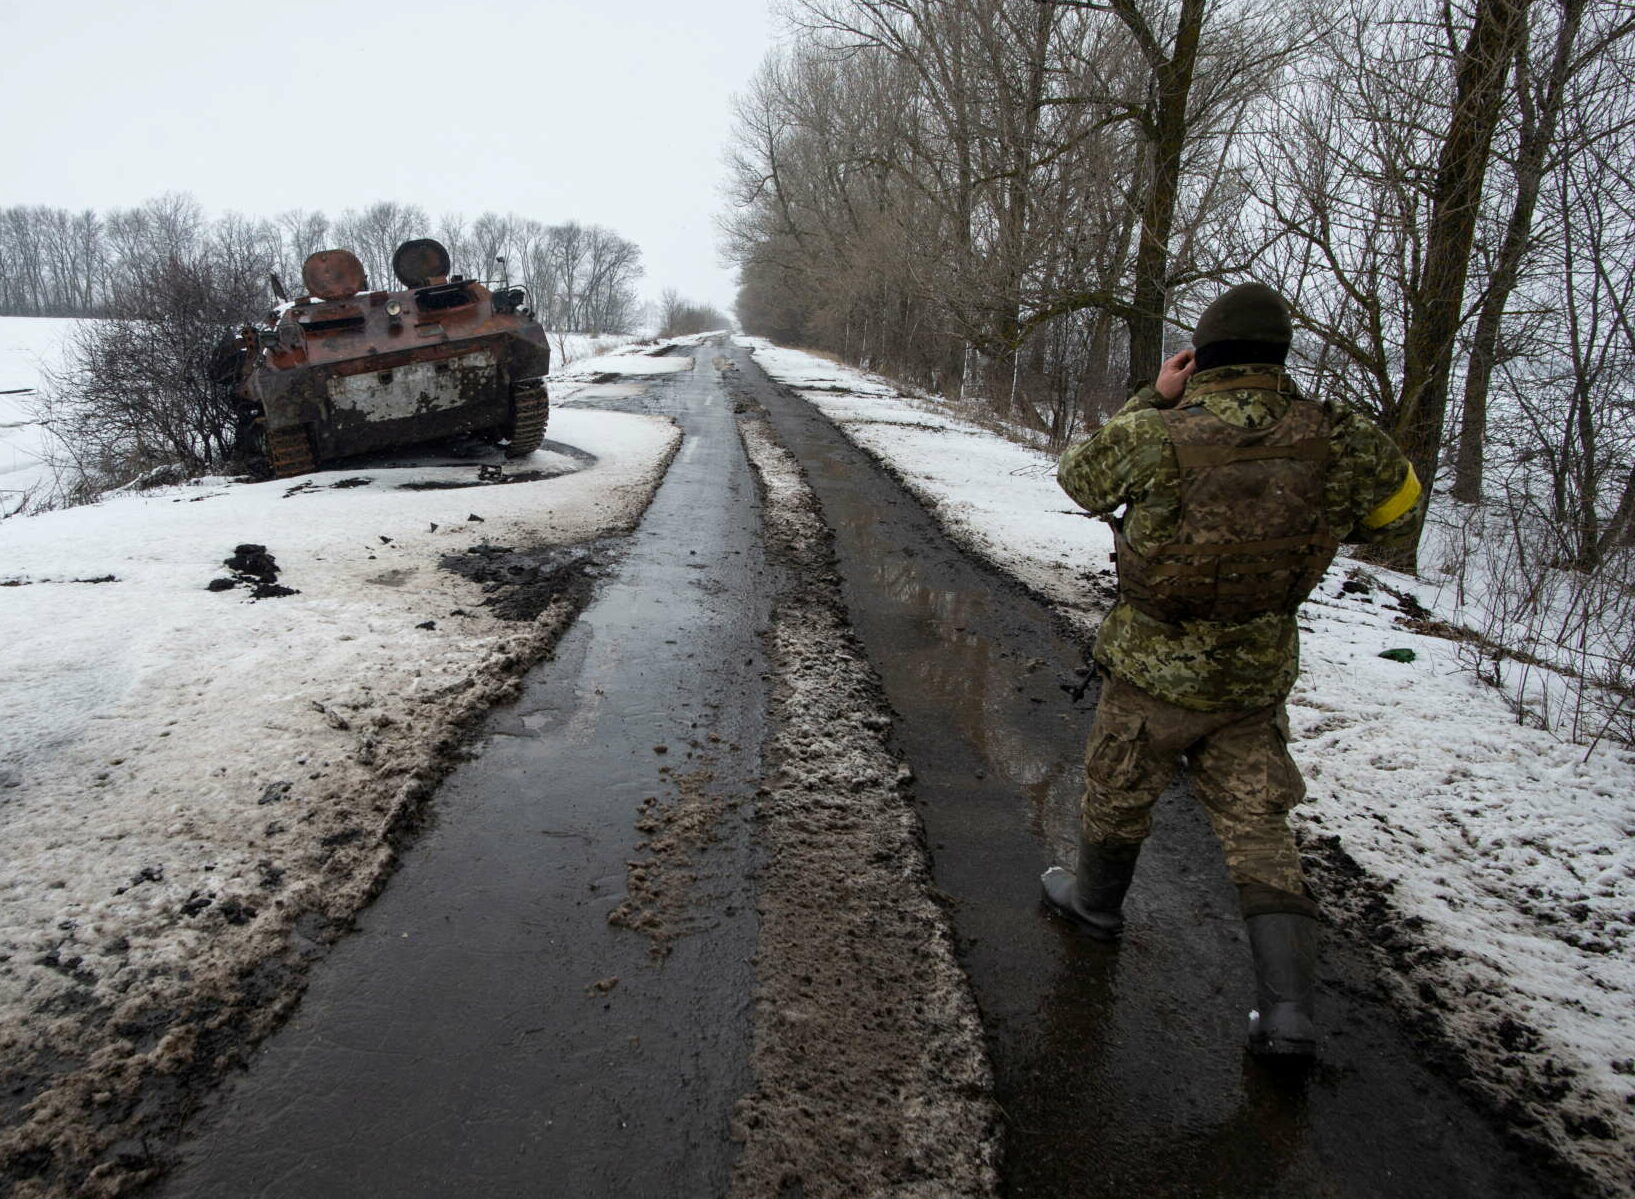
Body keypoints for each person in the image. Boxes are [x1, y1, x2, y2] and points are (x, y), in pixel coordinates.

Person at [1042, 282, 1421, 1058]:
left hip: (1153, 670)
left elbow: (1078, 479)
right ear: (1277, 356)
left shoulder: (1157, 431)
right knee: (1258, 825)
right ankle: (1286, 1014)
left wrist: (1152, 393)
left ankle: (1094, 905)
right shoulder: (1338, 433)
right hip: (1253, 677)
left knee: (1117, 791)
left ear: (1202, 357)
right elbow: (1398, 510)